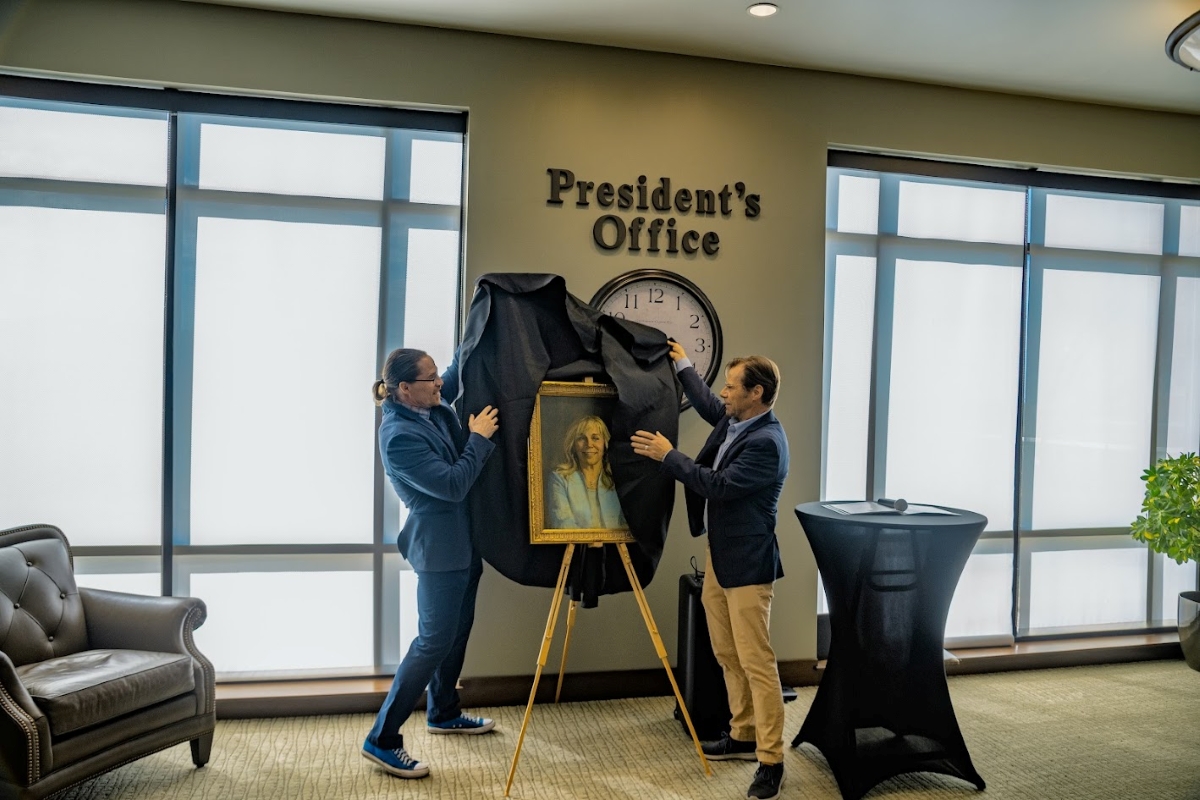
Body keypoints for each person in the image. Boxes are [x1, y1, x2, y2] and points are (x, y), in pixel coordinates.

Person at [631, 341, 790, 800]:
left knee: (757, 662)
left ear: (756, 393)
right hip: (721, 558)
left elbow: (717, 487)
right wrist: (682, 364)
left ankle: (771, 761)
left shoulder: (766, 443)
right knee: (726, 653)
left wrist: (668, 455)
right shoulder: (736, 418)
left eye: (731, 386)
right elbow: (706, 402)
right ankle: (742, 735)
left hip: (748, 565)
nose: (723, 393)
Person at [362, 347, 500, 780]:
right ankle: (381, 739)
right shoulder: (398, 436)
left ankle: (443, 711)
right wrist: (478, 438)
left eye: (437, 375)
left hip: (465, 543)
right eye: (430, 379)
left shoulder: (426, 401)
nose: (440, 383)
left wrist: (478, 325)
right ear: (405, 388)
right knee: (432, 642)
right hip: (439, 550)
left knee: (457, 631)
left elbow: (456, 372)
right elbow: (453, 484)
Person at [546, 415, 628, 529]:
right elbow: (562, 524)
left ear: (605, 443)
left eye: (595, 438)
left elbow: (628, 524)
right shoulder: (559, 479)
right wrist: (590, 539)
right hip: (576, 547)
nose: (589, 444)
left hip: (614, 547)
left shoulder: (618, 480)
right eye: (581, 438)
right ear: (573, 445)